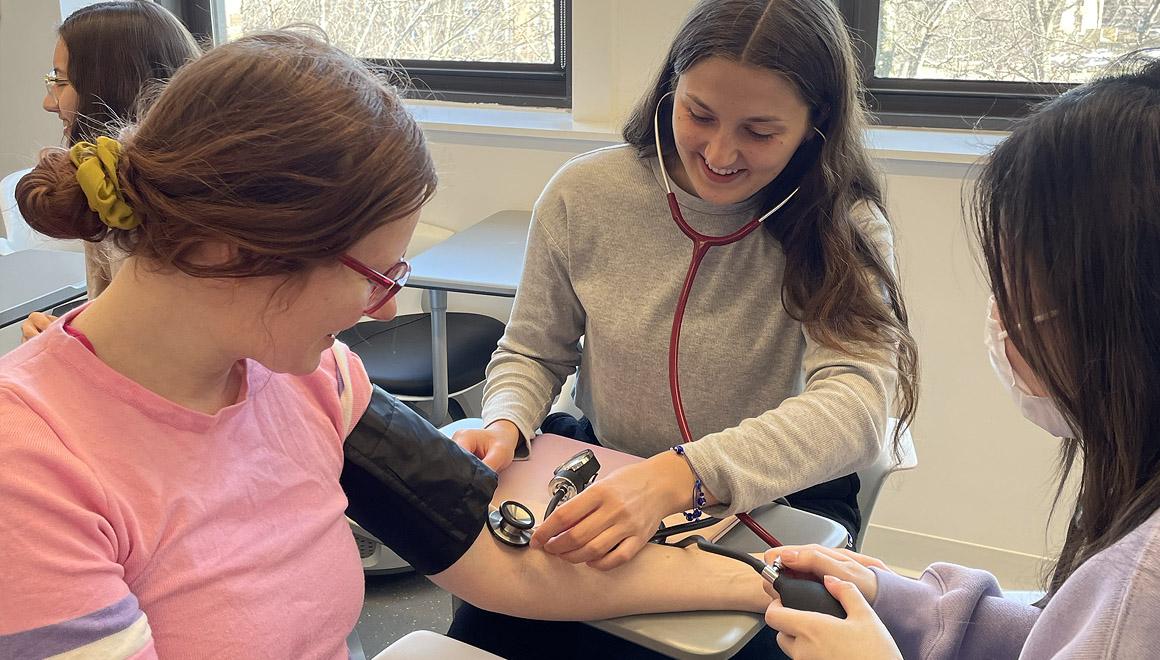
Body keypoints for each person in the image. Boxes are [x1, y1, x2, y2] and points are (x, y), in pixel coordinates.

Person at [0, 31, 771, 659]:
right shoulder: (32, 469)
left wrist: (762, 580)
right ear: (229, 249)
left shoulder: (315, 379)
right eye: (376, 272)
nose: (388, 307)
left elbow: (491, 556)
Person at [449, 0, 918, 656]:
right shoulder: (582, 195)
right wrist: (505, 420)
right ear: (670, 88)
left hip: (777, 503)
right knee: (485, 628)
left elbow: (862, 407)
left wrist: (680, 477)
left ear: (816, 128)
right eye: (698, 113)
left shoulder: (846, 226)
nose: (720, 152)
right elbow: (532, 349)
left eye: (760, 130)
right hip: (608, 471)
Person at [760, 54, 1160, 659]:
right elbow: (1067, 634)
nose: (1001, 316)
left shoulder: (1144, 578)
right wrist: (898, 601)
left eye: (1017, 286)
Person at [20, 0, 200, 342]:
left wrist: (61, 352)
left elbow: (144, 354)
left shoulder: (126, 208)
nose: (49, 102)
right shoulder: (111, 187)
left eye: (60, 81)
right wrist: (71, 330)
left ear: (112, 85)